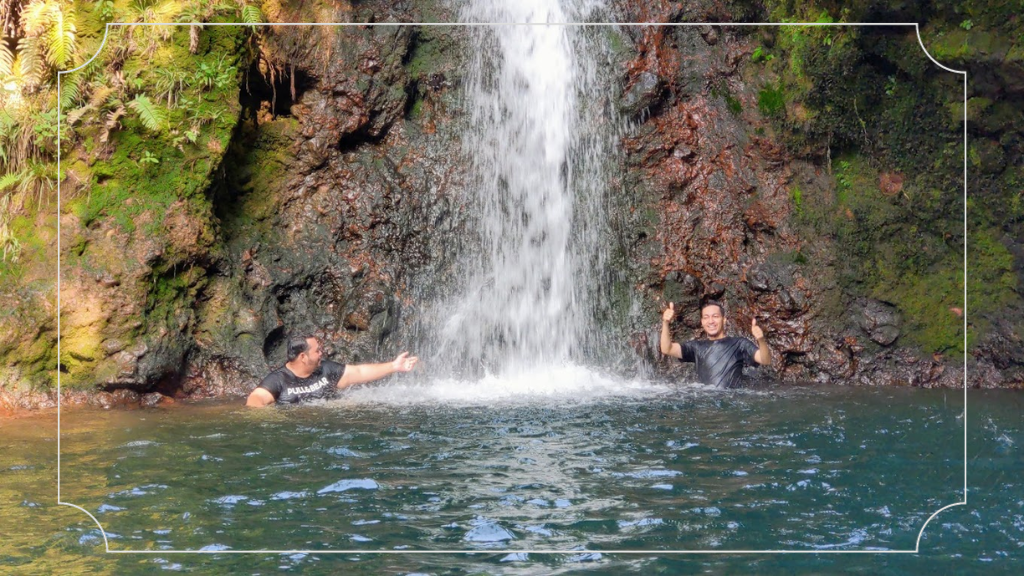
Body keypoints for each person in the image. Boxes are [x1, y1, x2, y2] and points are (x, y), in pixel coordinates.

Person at [245, 335, 418, 407]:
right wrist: (278, 420)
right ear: (303, 357)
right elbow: (255, 400)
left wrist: (394, 366)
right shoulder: (279, 380)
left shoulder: (326, 369)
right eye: (317, 351)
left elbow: (359, 373)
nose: (322, 354)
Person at [660, 300, 770, 388]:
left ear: (724, 320)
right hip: (707, 403)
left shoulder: (739, 344)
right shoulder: (696, 347)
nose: (711, 321)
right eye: (706, 317)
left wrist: (761, 340)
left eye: (715, 316)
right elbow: (667, 349)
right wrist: (665, 323)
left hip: (732, 400)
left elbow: (765, 360)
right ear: (702, 322)